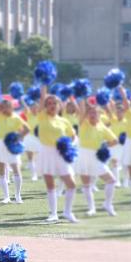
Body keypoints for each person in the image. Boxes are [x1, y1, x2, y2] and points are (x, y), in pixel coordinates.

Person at [35, 93, 78, 223]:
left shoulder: (64, 121)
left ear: (59, 105)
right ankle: (53, 214)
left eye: (54, 103)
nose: (52, 105)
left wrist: (70, 145)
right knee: (50, 184)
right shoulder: (42, 116)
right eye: (49, 104)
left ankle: (67, 212)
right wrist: (44, 85)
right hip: (46, 152)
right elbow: (42, 97)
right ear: (45, 106)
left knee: (71, 184)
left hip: (60, 152)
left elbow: (73, 136)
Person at [76, 103, 119, 216]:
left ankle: (108, 204)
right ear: (87, 114)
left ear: (99, 114)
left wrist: (104, 146)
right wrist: (83, 100)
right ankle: (91, 208)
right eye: (90, 112)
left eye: (95, 112)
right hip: (83, 155)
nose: (92, 114)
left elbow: (115, 141)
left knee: (111, 180)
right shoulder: (83, 123)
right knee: (86, 184)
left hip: (96, 156)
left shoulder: (102, 127)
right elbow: (81, 110)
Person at [0, 99, 29, 204]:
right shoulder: (0, 115)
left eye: (7, 106)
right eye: (3, 106)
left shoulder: (16, 117)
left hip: (12, 145)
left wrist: (18, 138)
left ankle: (18, 195)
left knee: (16, 170)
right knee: (1, 172)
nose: (5, 108)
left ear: (12, 107)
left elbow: (27, 129)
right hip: (0, 144)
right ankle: (6, 197)